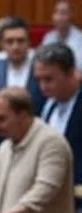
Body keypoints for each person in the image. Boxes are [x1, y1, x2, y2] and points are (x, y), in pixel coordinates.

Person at [36, 42, 82, 190]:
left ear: (71, 73)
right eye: (39, 79)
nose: (43, 86)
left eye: (49, 79)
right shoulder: (44, 104)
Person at [0, 16, 43, 109]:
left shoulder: (41, 68)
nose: (15, 47)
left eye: (20, 41)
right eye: (9, 41)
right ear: (2, 44)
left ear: (28, 42)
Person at [42, 0, 82, 70]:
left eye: (63, 13)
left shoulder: (80, 38)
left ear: (71, 16)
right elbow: (42, 61)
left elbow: (79, 66)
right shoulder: (48, 37)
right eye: (56, 12)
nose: (58, 17)